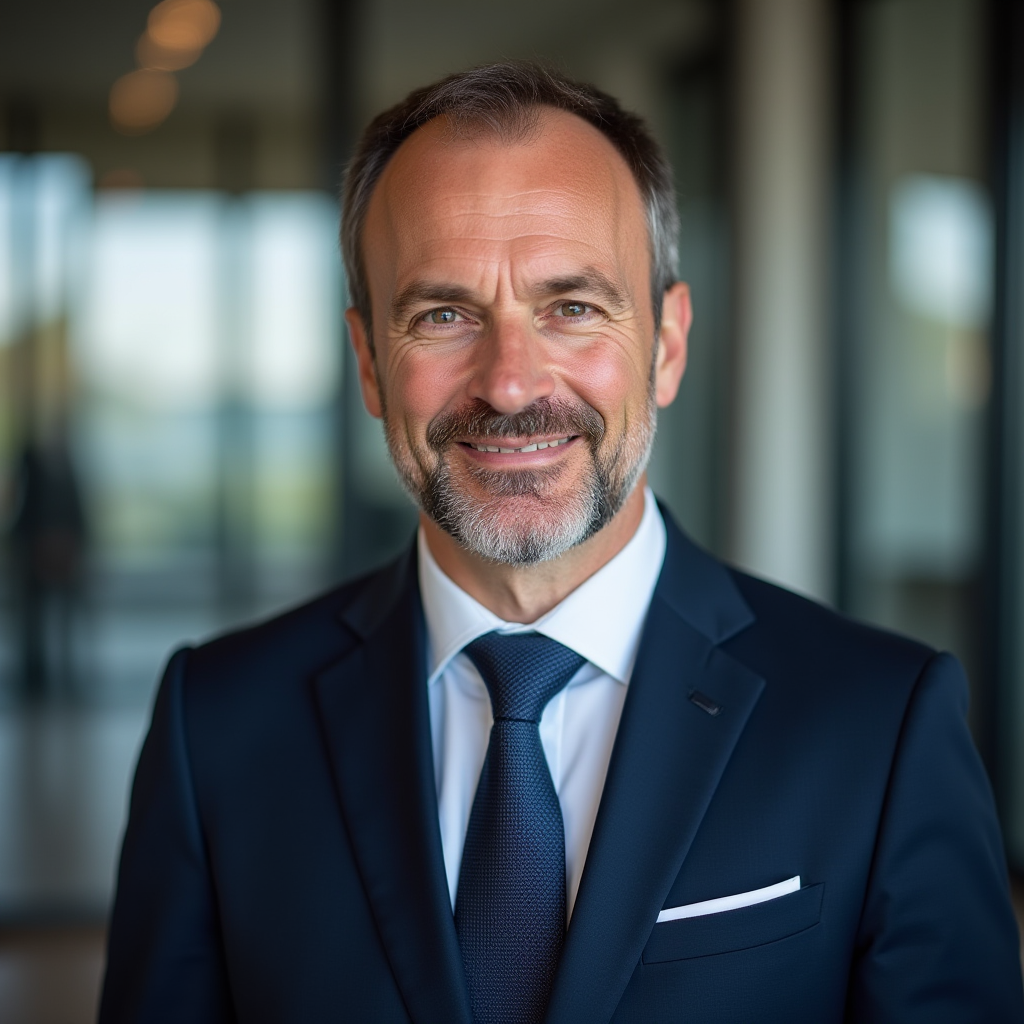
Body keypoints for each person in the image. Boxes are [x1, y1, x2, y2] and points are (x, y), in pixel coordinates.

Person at [99, 62, 1023, 1023]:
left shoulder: (880, 724)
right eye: (444, 315)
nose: (509, 383)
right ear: (369, 362)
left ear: (666, 345)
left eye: (572, 307)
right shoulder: (216, 728)